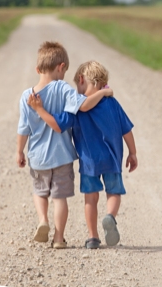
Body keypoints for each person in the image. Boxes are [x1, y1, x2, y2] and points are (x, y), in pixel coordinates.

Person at [27, 60, 138, 249]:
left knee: (90, 198)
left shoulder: (76, 108)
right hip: (112, 159)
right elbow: (126, 130)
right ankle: (110, 216)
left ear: (80, 79)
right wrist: (132, 153)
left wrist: (40, 109)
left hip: (89, 163)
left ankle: (92, 237)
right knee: (114, 192)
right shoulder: (112, 103)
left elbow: (58, 124)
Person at [17, 43, 113, 249]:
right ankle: (59, 238)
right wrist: (104, 93)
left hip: (38, 156)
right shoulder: (63, 88)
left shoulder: (27, 96)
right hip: (62, 156)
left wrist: (19, 151)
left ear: (37, 69)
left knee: (40, 192)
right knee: (60, 198)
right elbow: (85, 105)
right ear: (61, 67)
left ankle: (43, 219)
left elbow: (23, 129)